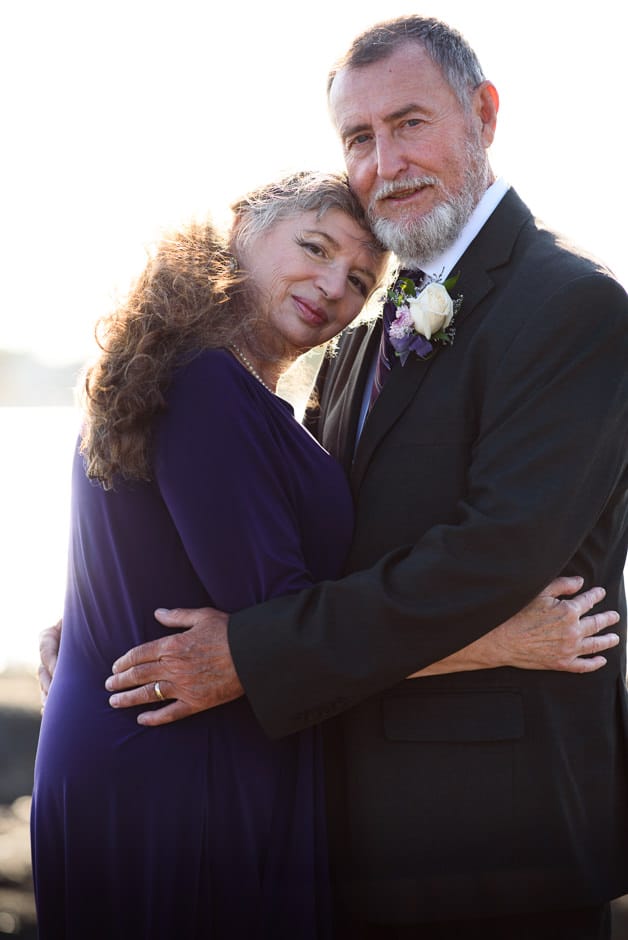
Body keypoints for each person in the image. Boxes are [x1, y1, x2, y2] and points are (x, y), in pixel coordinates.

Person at [91, 15, 628, 940]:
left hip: (492, 840)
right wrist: (114, 608)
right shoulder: (366, 332)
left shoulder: (574, 307)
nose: (387, 160)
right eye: (359, 138)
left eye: (411, 121)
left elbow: (492, 556)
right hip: (341, 822)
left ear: (484, 114)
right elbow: (291, 536)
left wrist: (247, 657)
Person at [31, 170, 392, 939]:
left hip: (135, 756)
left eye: (360, 279)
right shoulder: (209, 385)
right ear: (244, 231)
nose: (333, 286)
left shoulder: (190, 372)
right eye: (316, 247)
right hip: (177, 778)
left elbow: (141, 550)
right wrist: (495, 640)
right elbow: (285, 627)